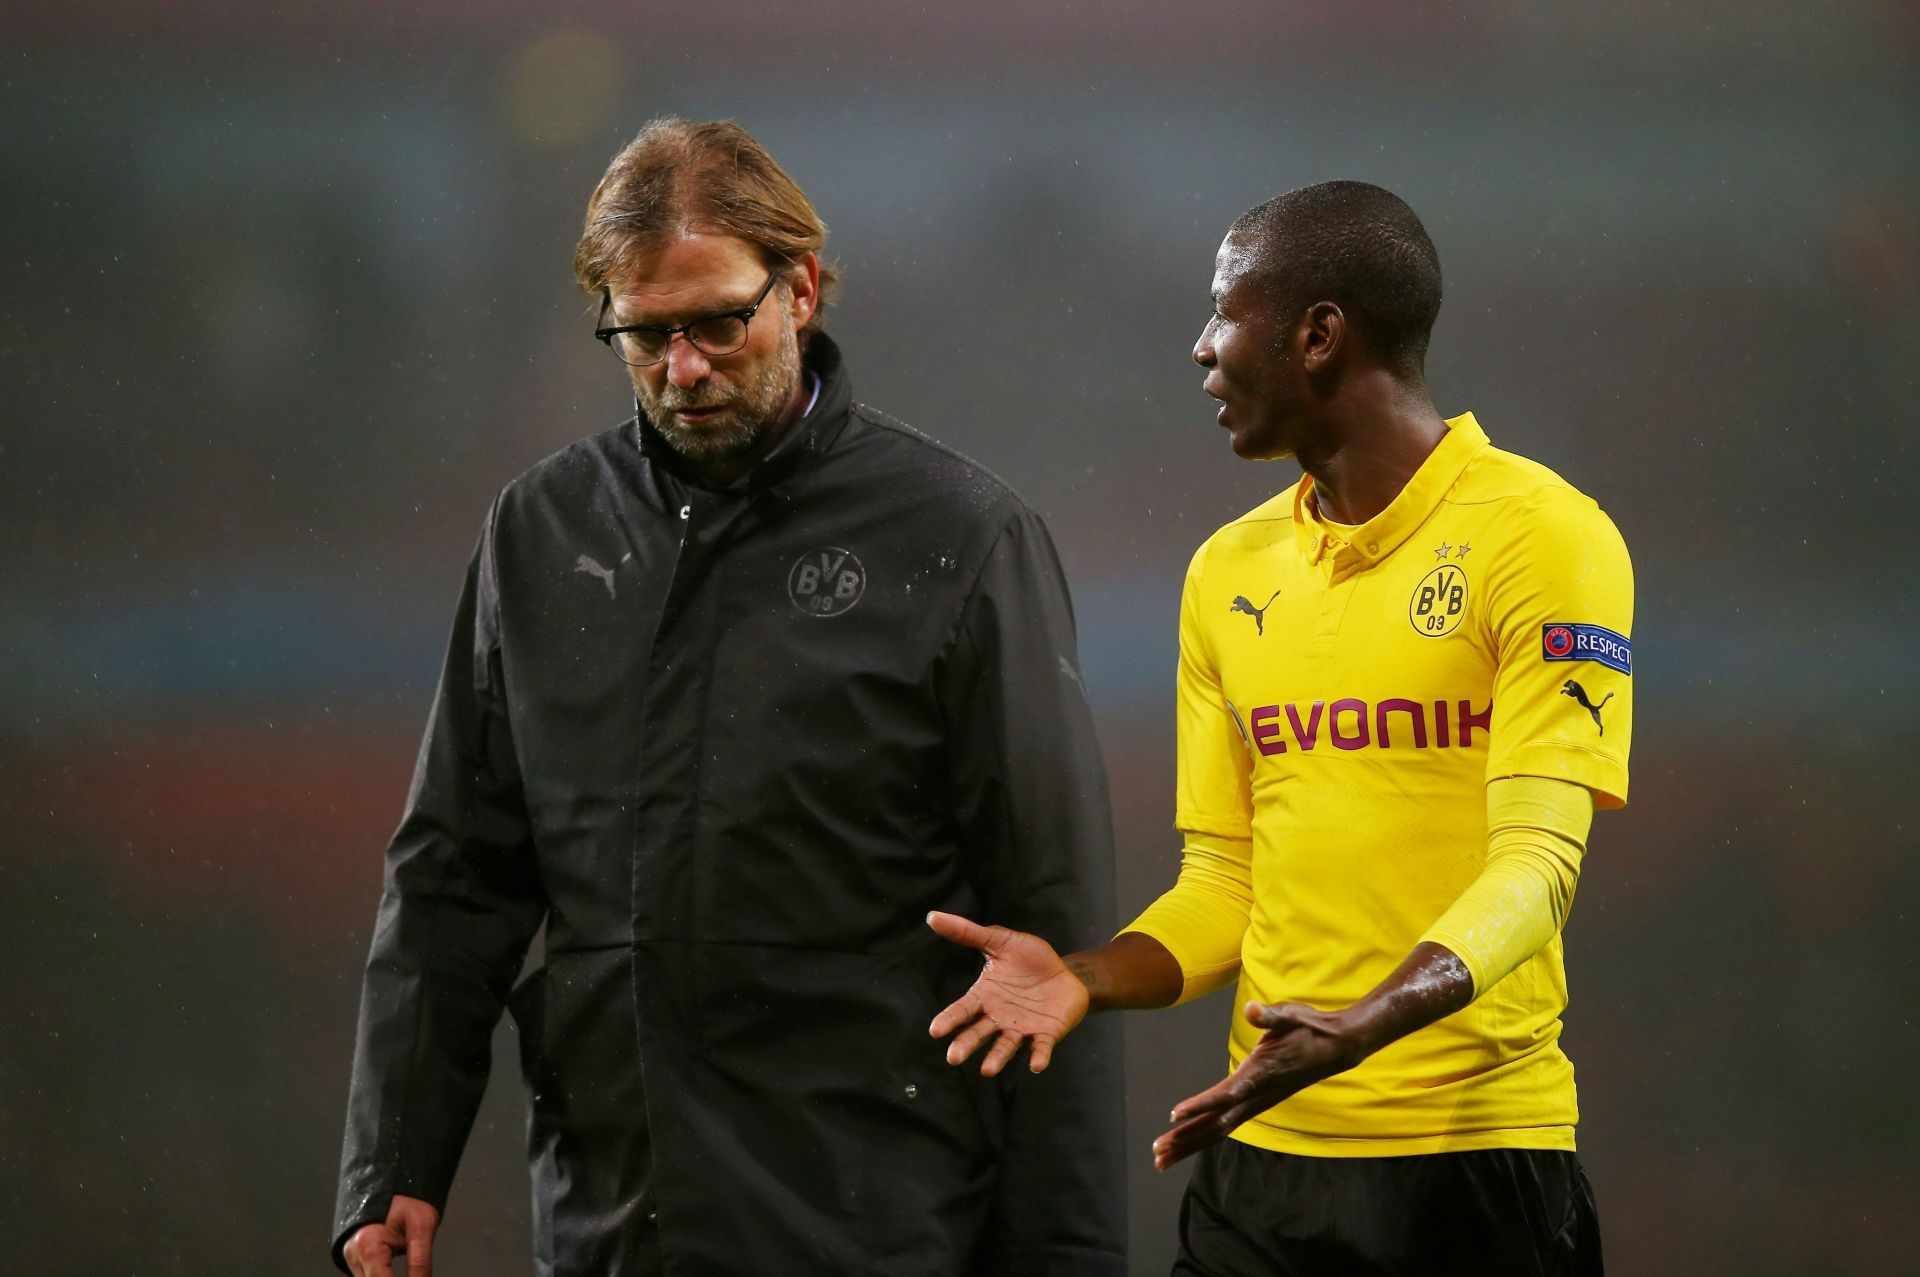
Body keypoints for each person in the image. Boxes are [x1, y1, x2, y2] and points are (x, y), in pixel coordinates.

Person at [332, 117, 1126, 1277]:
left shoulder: (961, 537)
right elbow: (454, 875)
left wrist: (1068, 1255)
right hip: (614, 1225)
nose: (684, 368)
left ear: (801, 288)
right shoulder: (539, 533)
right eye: (645, 335)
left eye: (717, 323)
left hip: (882, 1225)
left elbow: (1051, 918)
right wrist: (392, 1160)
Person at [930, 181, 1632, 1275]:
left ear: (1318, 335)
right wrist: (1086, 975)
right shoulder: (1228, 571)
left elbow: (1538, 867)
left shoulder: (1544, 537)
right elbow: (1225, 883)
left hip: (1473, 1162)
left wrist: (1369, 1019)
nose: (1202, 348)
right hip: (1259, 1161)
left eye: (1224, 311)